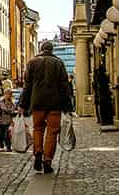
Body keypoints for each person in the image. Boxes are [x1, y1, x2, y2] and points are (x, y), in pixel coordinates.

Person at [19, 41, 74, 174]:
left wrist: (22, 104)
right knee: (52, 132)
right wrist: (68, 107)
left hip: (37, 103)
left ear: (41, 49)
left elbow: (27, 86)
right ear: (52, 50)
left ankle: (38, 152)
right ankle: (47, 160)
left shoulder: (32, 63)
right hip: (55, 104)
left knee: (37, 129)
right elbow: (64, 87)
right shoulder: (58, 63)